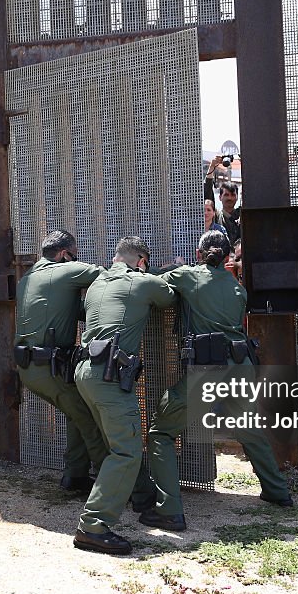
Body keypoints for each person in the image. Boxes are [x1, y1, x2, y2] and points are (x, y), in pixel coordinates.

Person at [133, 231, 293, 532]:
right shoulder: (237, 289)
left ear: (198, 253)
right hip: (242, 366)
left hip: (209, 370)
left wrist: (169, 266)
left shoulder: (189, 276)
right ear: (228, 257)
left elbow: (151, 278)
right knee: (250, 431)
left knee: (160, 433)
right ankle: (277, 492)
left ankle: (169, 510)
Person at [72, 236, 175, 555]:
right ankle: (93, 526)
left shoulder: (97, 283)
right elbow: (168, 297)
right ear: (141, 260)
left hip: (85, 373)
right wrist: (165, 271)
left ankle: (142, 498)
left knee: (115, 444)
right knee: (127, 451)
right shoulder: (141, 282)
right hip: (110, 377)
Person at [14, 230, 108, 493]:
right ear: (65, 254)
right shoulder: (66, 271)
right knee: (89, 416)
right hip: (49, 368)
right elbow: (110, 275)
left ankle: (75, 476)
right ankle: (111, 483)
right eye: (74, 255)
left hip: (30, 367)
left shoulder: (29, 278)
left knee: (76, 412)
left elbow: (64, 311)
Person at [204, 157, 241, 245]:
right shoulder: (215, 216)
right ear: (220, 197)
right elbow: (208, 192)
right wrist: (212, 166)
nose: (230, 198)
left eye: (233, 195)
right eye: (226, 195)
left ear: (237, 197)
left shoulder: (241, 214)